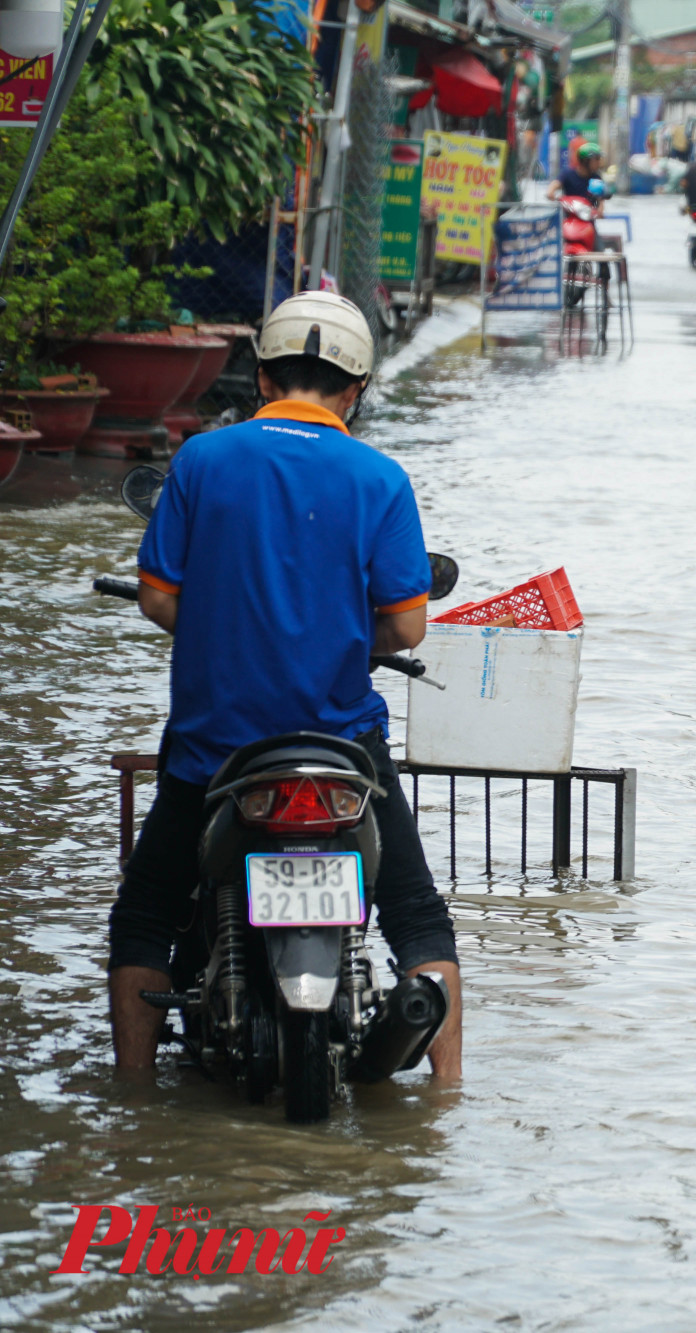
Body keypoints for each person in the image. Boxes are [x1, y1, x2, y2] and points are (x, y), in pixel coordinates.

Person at [111, 292, 462, 1082]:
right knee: (416, 917)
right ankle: (446, 1113)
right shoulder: (380, 477)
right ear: (356, 390)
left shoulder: (203, 458)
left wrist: (224, 629)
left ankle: (129, 1113)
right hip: (344, 747)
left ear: (262, 376)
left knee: (145, 915)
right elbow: (407, 629)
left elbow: (160, 597)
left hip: (215, 746)